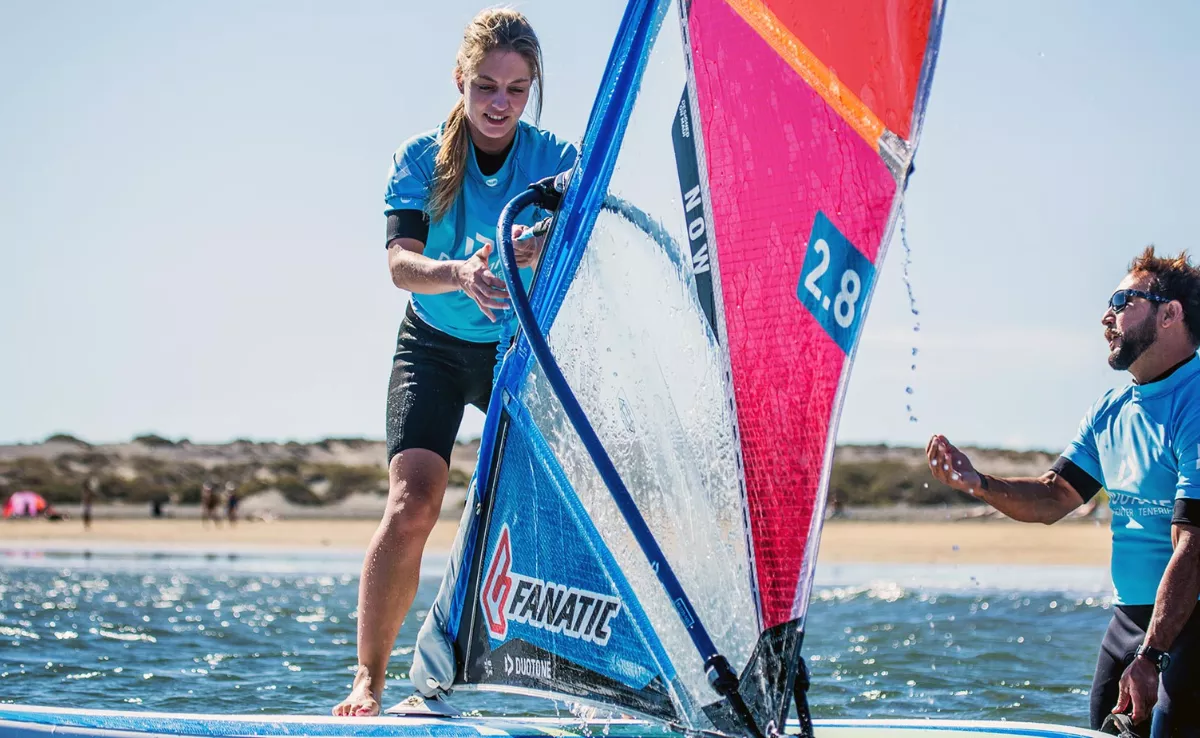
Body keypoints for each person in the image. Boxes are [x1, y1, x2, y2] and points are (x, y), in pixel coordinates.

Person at [331, 8, 576, 718]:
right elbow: (400, 266)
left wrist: (541, 242)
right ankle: (370, 682)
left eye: (518, 89)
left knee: (542, 512)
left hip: (517, 348)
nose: (501, 103)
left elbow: (582, 216)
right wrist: (459, 274)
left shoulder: (552, 155)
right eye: (487, 86)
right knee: (413, 506)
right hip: (434, 345)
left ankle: (568, 678)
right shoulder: (419, 158)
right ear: (460, 80)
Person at [927, 247, 1200, 736]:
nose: (1105, 316)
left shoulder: (1196, 401)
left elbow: (1195, 544)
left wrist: (1154, 653)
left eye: (1122, 300)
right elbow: (1056, 495)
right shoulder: (1111, 410)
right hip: (1129, 622)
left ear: (1170, 315)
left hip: (1187, 625)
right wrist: (980, 483)